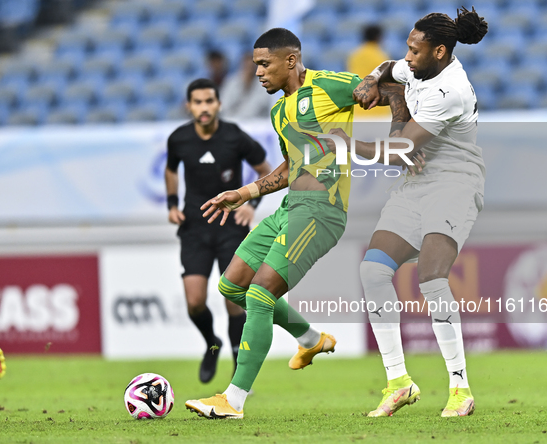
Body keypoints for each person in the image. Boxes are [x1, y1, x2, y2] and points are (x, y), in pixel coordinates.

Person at [184, 27, 417, 420]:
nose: (257, 72)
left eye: (264, 64)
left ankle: (233, 401)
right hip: (289, 208)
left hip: (321, 210)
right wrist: (244, 193)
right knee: (231, 286)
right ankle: (310, 339)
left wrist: (397, 136)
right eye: (255, 64)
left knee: (259, 294)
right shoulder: (278, 112)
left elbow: (394, 88)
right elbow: (293, 167)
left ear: (290, 60)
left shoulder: (328, 86)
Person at [344, 7, 488, 418]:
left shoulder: (451, 90)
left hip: (455, 180)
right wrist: (374, 79)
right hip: (417, 183)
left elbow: (398, 151)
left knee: (431, 275)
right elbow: (390, 68)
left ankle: (460, 389)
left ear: (439, 51)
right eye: (408, 47)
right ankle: (398, 383)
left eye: (415, 50)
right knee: (373, 271)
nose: (407, 56)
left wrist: (346, 142)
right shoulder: (416, 67)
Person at [165, 78, 272, 383]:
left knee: (233, 297)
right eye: (197, 102)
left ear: (218, 104)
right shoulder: (179, 139)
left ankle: (239, 360)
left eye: (209, 101)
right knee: (195, 301)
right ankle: (212, 343)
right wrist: (172, 203)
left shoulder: (235, 137)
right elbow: (171, 170)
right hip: (195, 229)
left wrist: (251, 203)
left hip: (230, 229)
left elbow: (265, 171)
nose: (203, 107)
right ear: (189, 106)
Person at [347, 24, 390, 119]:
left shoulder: (355, 55)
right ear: (378, 37)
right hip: (378, 110)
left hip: (358, 108)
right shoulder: (379, 56)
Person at [220, 52, 272, 120]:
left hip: (256, 123)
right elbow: (224, 105)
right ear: (242, 66)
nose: (249, 69)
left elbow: (265, 106)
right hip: (233, 121)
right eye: (247, 66)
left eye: (252, 66)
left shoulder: (264, 84)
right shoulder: (231, 82)